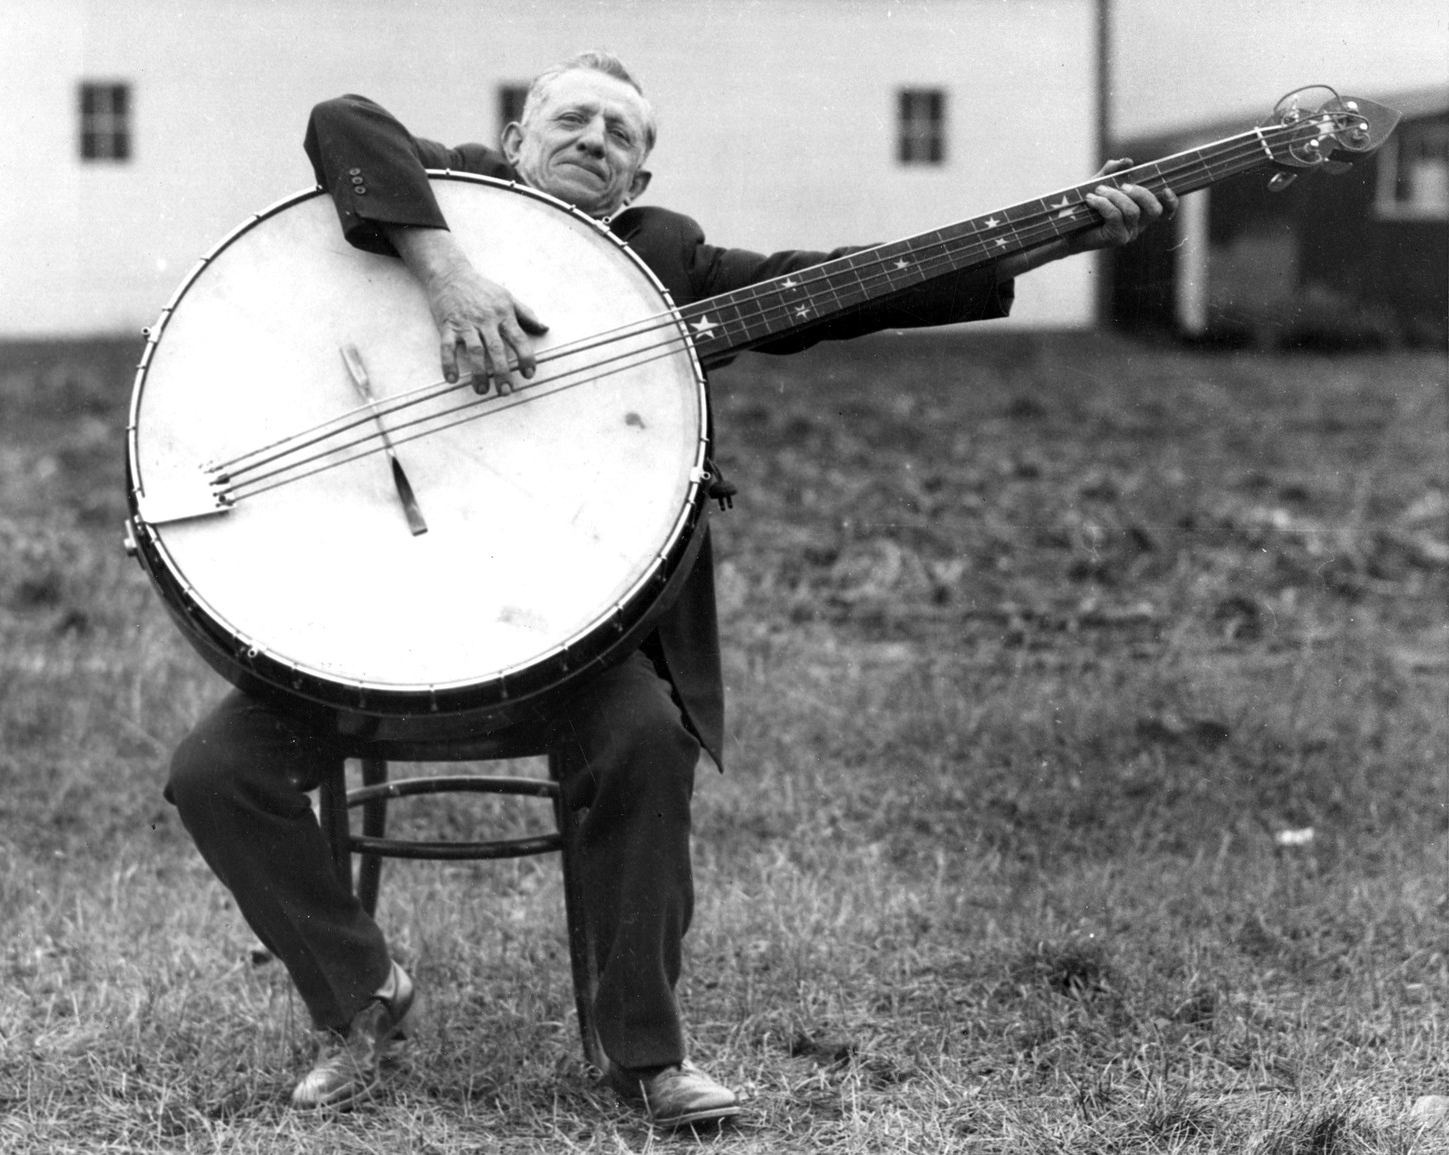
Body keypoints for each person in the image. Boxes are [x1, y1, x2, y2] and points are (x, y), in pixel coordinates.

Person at [165, 49, 1173, 1129]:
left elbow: (850, 284)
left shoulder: (664, 262)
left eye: (621, 136)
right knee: (215, 771)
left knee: (645, 740)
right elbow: (342, 118)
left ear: (636, 183)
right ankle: (361, 997)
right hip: (373, 631)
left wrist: (1055, 234)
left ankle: (643, 1054)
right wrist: (448, 273)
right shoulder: (454, 190)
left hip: (571, 646)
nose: (593, 141)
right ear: (515, 141)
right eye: (573, 119)